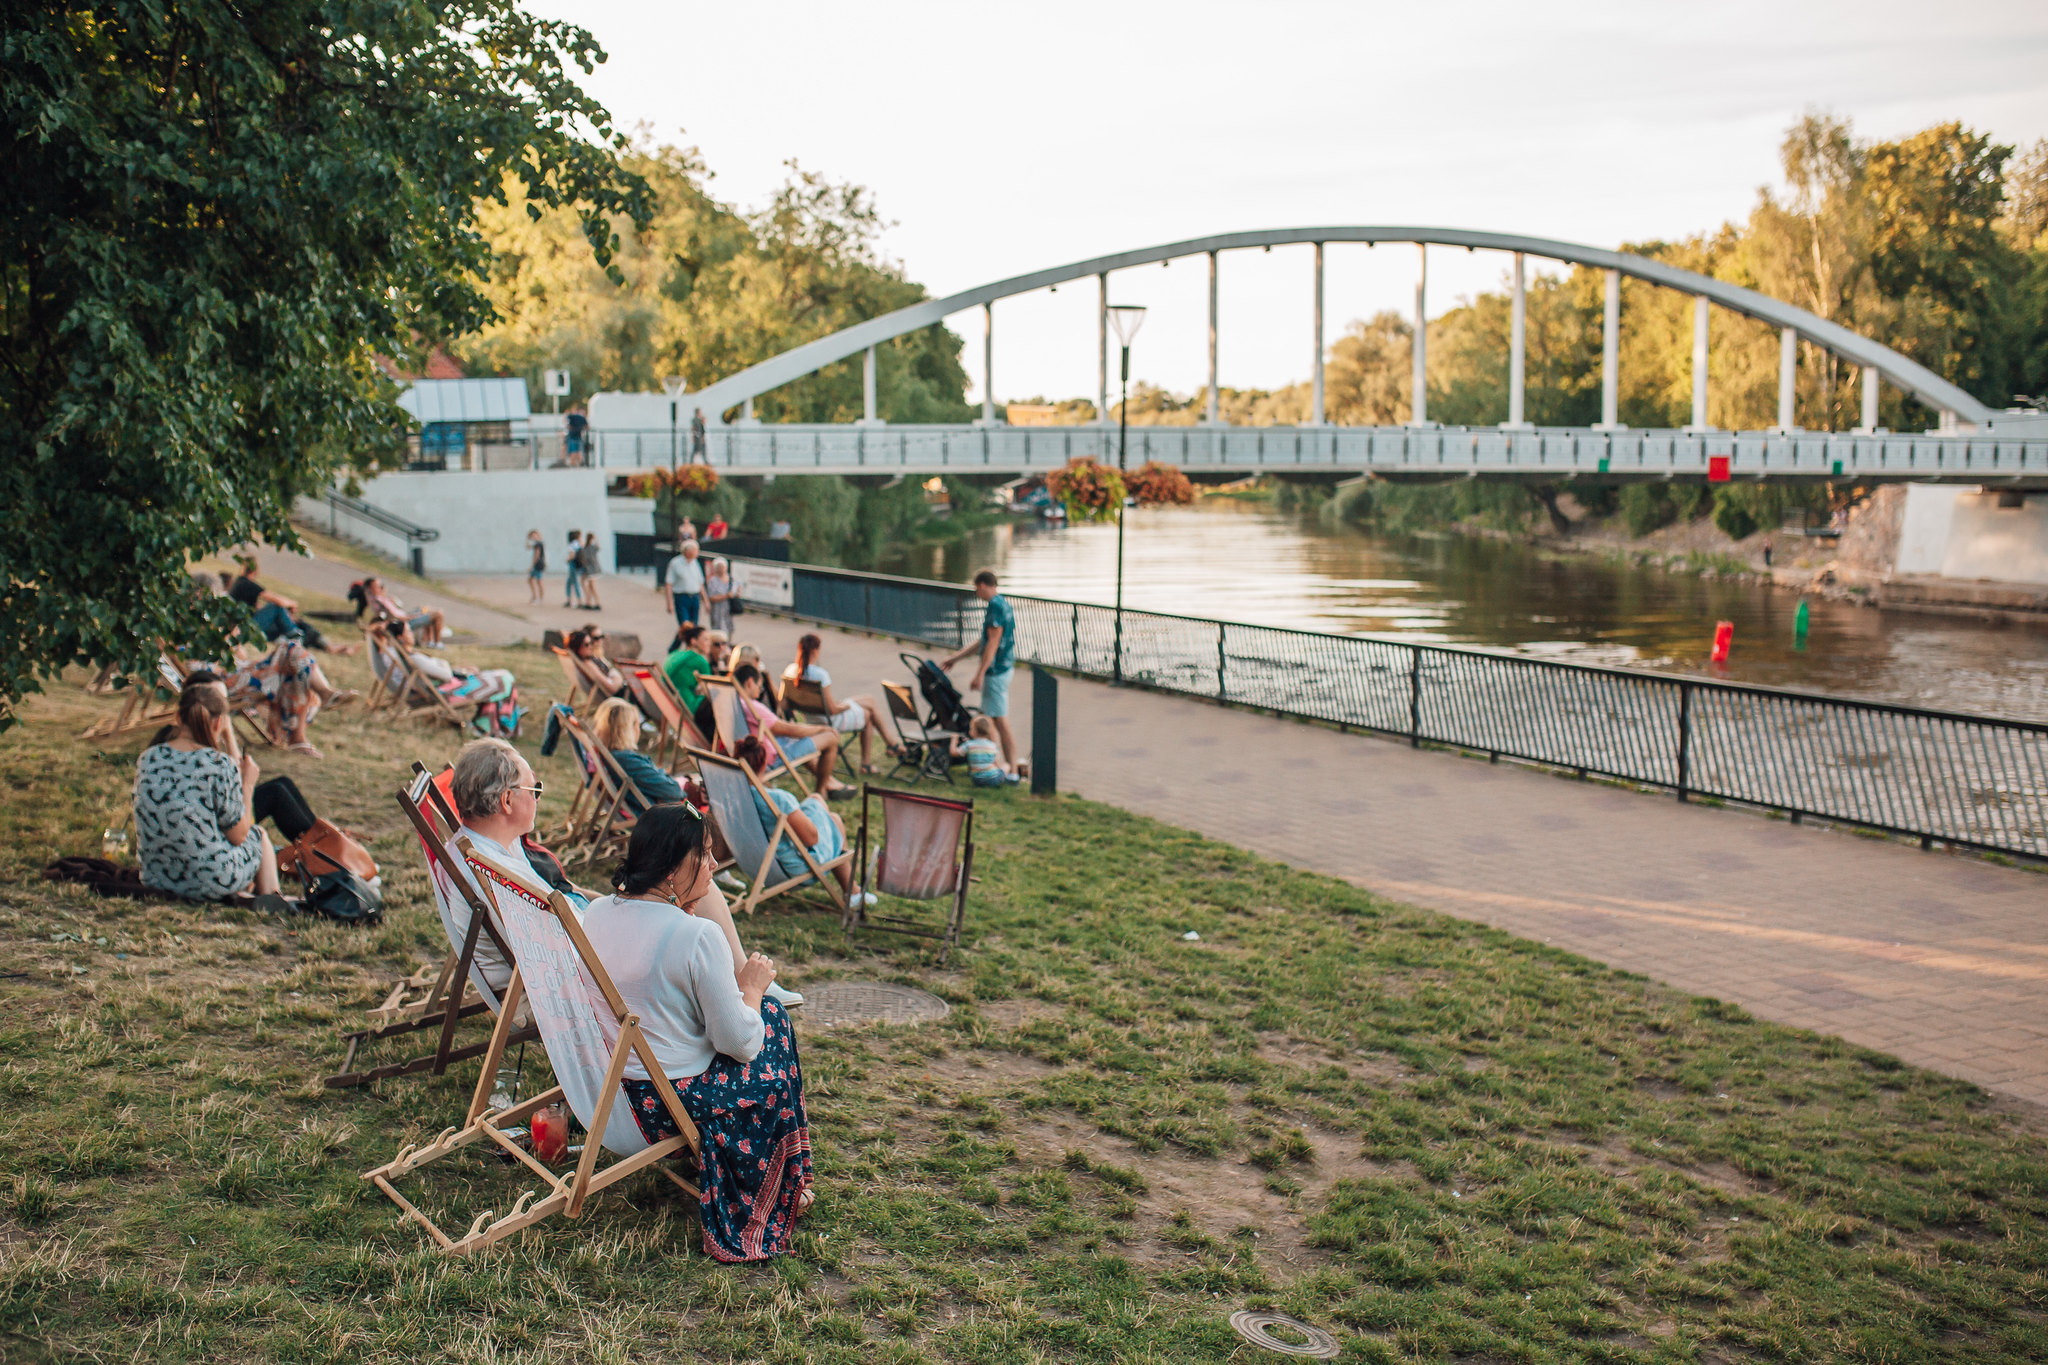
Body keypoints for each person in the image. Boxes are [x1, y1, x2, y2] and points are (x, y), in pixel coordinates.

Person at [581, 803, 813, 1261]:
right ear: (673, 869)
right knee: (772, 1023)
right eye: (704, 855)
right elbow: (740, 1044)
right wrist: (749, 987)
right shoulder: (698, 936)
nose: (714, 864)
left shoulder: (596, 913)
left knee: (759, 1019)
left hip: (613, 1092)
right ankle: (776, 1178)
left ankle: (779, 1171)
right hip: (669, 1105)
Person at [134, 674, 287, 901]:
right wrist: (248, 785)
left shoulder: (148, 757)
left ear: (177, 717)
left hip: (157, 878)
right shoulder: (218, 764)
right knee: (259, 836)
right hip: (209, 880)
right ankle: (273, 898)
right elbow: (238, 835)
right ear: (218, 723)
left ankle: (252, 894)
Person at [734, 735, 868, 903]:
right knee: (834, 819)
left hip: (755, 865)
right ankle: (853, 892)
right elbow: (812, 838)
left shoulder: (731, 798)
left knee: (816, 800)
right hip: (792, 868)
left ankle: (852, 891)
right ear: (763, 765)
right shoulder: (777, 799)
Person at [733, 662, 849, 798]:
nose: (760, 692)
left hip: (751, 753)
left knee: (801, 740)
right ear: (750, 682)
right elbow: (790, 729)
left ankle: (829, 783)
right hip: (770, 758)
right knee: (831, 737)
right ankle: (821, 791)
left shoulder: (734, 703)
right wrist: (823, 729)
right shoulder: (752, 706)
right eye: (760, 687)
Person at [942, 569, 1019, 772]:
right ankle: (991, 762)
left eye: (976, 589)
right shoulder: (1002, 604)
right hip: (1003, 668)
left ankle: (1010, 769)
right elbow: (983, 641)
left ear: (983, 585)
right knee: (987, 720)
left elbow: (992, 643)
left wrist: (980, 674)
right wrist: (955, 658)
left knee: (999, 722)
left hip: (996, 672)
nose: (976, 593)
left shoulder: (995, 607)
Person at [786, 633, 892, 773]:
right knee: (868, 714)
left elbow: (785, 701)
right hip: (829, 722)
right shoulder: (819, 674)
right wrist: (845, 706)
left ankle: (891, 745)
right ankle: (873, 759)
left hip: (811, 718)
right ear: (815, 651)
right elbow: (832, 710)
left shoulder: (791, 670)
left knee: (869, 701)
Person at [226, 637, 349, 756]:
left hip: (245, 672)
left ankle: (298, 737)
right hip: (230, 682)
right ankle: (325, 695)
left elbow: (240, 654)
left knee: (292, 654)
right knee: (291, 653)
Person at [228, 555, 348, 654]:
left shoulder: (240, 583)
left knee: (293, 623)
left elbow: (256, 608)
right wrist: (292, 603)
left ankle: (325, 645)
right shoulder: (246, 584)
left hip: (248, 625)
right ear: (255, 569)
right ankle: (297, 637)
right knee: (276, 608)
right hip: (246, 628)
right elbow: (276, 600)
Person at [592, 696, 685, 813]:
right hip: (658, 816)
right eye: (636, 723)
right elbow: (673, 791)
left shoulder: (605, 754)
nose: (638, 728)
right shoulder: (626, 760)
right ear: (627, 729)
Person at [361, 575, 447, 647]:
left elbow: (398, 607)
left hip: (405, 616)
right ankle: (437, 643)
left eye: (381, 585)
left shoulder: (381, 598)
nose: (382, 588)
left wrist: (386, 597)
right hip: (404, 622)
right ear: (370, 588)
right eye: (378, 586)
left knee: (426, 609)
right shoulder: (378, 600)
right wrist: (412, 616)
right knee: (438, 614)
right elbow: (394, 616)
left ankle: (428, 640)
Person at [663, 623, 715, 736]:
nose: (709, 643)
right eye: (705, 639)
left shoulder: (675, 655)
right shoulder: (700, 660)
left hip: (669, 701)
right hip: (689, 705)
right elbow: (710, 691)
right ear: (693, 641)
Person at [953, 715, 1025, 787]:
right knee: (1006, 766)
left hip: (976, 780)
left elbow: (953, 753)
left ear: (974, 731)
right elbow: (996, 763)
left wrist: (954, 740)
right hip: (992, 780)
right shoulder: (992, 746)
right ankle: (1008, 779)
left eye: (971, 728)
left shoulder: (968, 745)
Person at [567, 624, 630, 701]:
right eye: (586, 645)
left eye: (590, 643)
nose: (590, 646)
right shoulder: (589, 664)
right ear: (577, 648)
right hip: (621, 695)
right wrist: (618, 678)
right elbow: (612, 688)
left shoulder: (589, 660)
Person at [664, 538, 705, 625]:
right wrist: (669, 602)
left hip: (695, 597)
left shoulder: (695, 563)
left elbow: (700, 583)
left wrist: (705, 600)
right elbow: (668, 583)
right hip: (682, 597)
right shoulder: (675, 563)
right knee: (685, 625)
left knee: (694, 625)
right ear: (689, 551)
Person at [703, 557, 734, 634]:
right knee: (718, 628)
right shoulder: (713, 581)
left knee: (728, 628)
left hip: (728, 609)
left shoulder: (731, 579)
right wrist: (726, 596)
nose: (721, 569)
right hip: (717, 609)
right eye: (719, 567)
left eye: (722, 567)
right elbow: (711, 597)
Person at [577, 531, 604, 610]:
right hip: (593, 568)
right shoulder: (592, 547)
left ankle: (593, 602)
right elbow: (598, 547)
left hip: (590, 569)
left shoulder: (586, 547)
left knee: (591, 586)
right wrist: (596, 539)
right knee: (590, 586)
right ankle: (591, 602)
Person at [564, 531, 586, 608]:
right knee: (569, 582)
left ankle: (578, 601)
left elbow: (572, 555)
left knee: (574, 582)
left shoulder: (572, 544)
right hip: (579, 564)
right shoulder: (579, 543)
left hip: (573, 564)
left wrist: (567, 560)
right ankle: (570, 600)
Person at [526, 530, 546, 605]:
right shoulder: (538, 544)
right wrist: (527, 539)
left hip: (538, 565)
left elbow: (536, 555)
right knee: (530, 580)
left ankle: (540, 598)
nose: (533, 537)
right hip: (538, 565)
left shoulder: (539, 544)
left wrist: (532, 566)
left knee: (539, 582)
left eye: (535, 535)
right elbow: (528, 547)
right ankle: (535, 597)